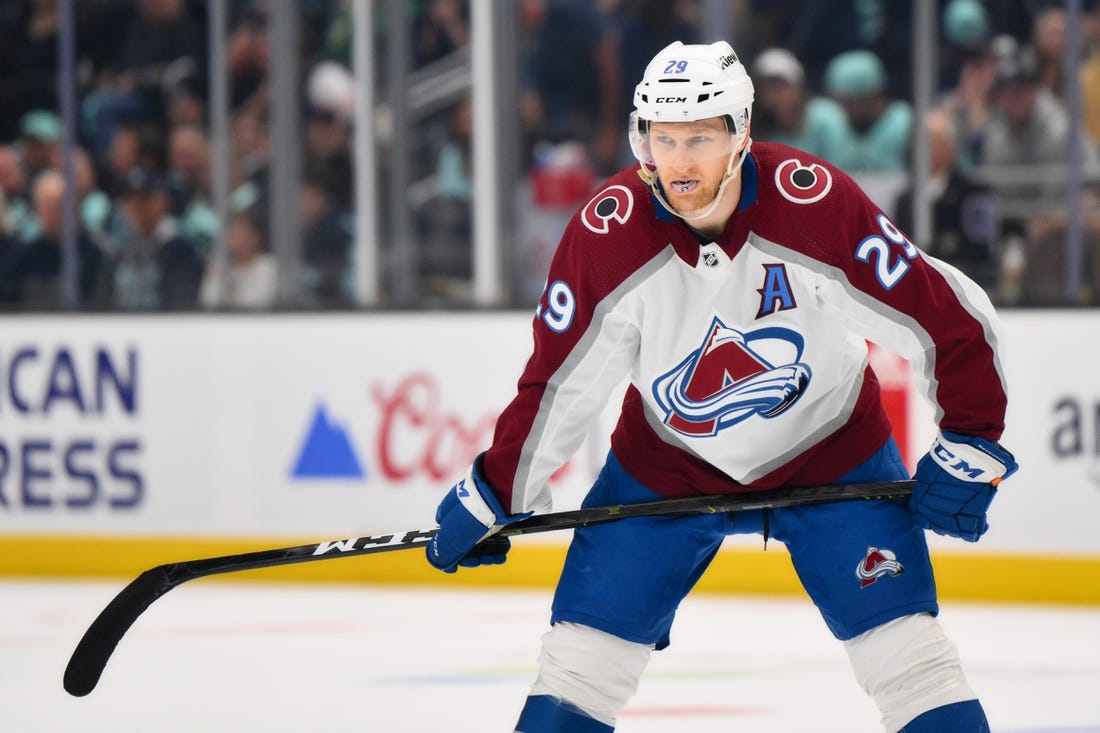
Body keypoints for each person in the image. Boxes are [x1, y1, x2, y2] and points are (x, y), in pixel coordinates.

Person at [425, 40, 1018, 733]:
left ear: (740, 134)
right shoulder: (606, 233)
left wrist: (973, 436)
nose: (678, 161)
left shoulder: (813, 204)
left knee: (912, 662)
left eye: (700, 138)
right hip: (667, 466)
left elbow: (943, 310)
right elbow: (559, 384)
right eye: (662, 138)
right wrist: (498, 489)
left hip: (830, 451)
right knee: (577, 668)